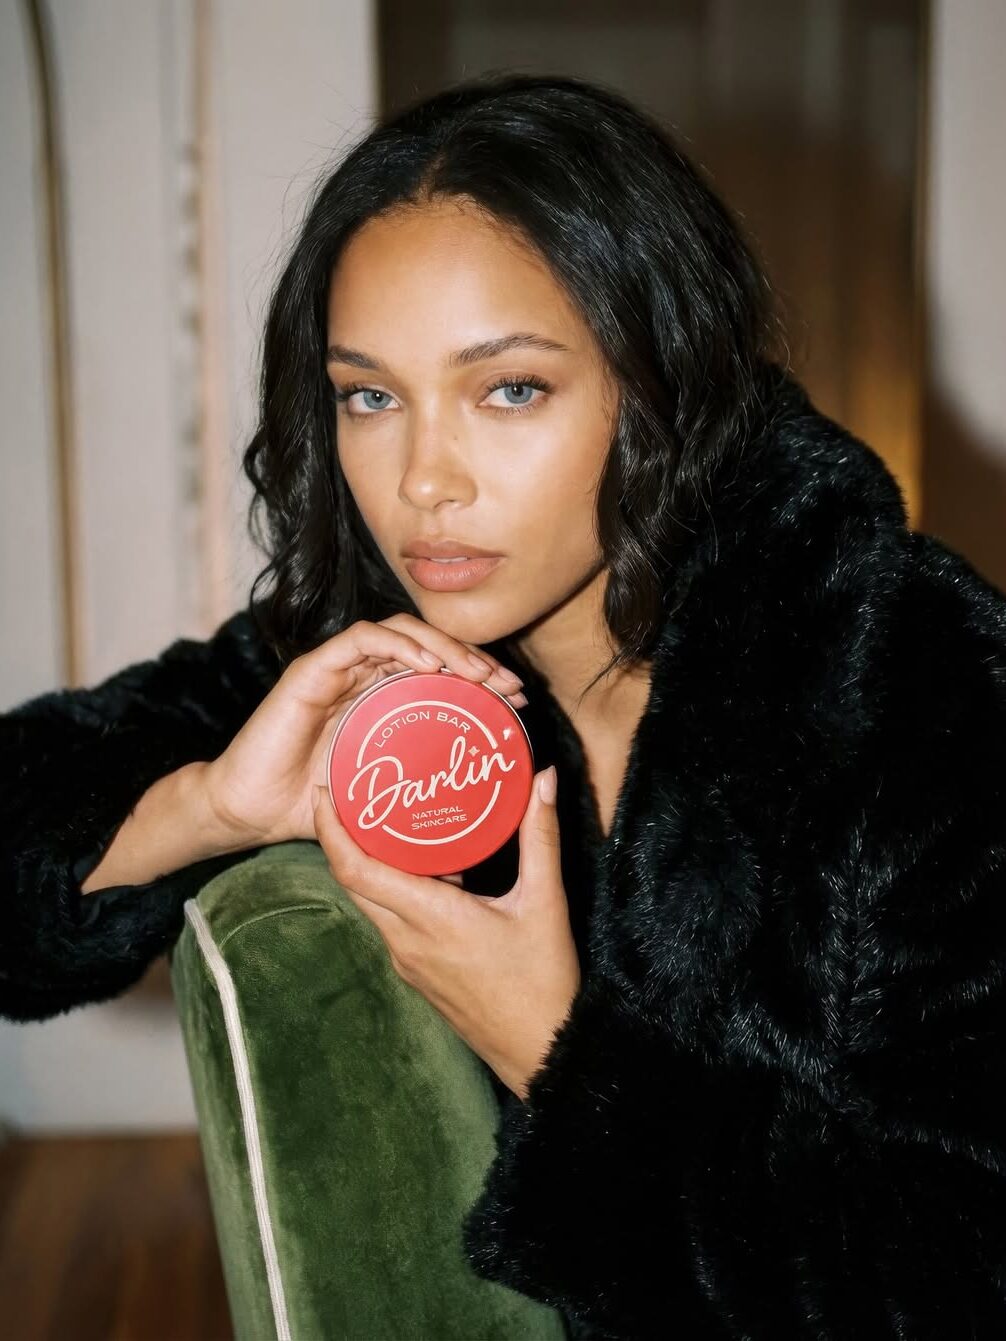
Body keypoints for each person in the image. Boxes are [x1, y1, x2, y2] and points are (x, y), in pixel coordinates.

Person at [3, 70, 1005, 1339]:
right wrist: (205, 804)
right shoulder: (373, 663)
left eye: (510, 389)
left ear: (659, 381)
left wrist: (557, 1047)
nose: (424, 481)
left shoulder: (919, 691)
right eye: (369, 396)